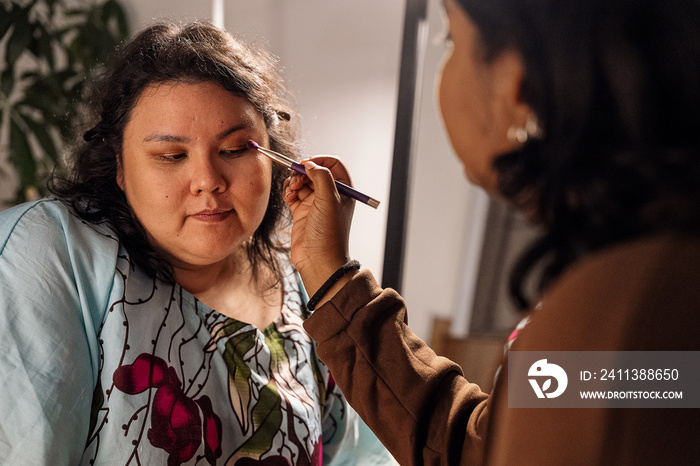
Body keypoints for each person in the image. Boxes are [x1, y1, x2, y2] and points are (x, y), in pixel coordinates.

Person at [282, 0, 700, 464]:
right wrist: (332, 277)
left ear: (514, 80)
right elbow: (477, 446)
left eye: (451, 39)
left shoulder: (623, 322)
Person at [0, 21, 395, 466]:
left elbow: (361, 455)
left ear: (277, 159)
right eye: (171, 156)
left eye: (234, 150)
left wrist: (334, 274)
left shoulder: (303, 282)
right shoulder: (54, 254)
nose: (208, 182)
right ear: (120, 168)